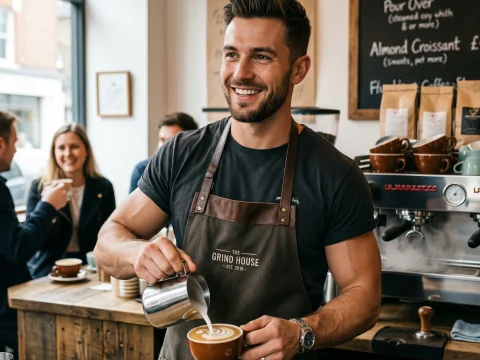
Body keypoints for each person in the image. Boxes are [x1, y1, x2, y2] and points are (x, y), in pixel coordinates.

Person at [94, 0, 382, 359]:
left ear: (298, 69)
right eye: (232, 54)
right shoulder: (182, 153)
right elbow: (108, 240)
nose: (240, 73)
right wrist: (138, 252)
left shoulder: (334, 175)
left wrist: (302, 332)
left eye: (261, 57)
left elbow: (364, 295)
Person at [0, 111, 68, 355]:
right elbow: (18, 248)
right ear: (1, 143)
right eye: (15, 143)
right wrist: (48, 205)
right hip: (6, 309)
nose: (16, 151)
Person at [26, 123, 116, 278]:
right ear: (54, 153)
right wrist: (47, 205)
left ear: (86, 150)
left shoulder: (103, 187)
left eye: (74, 146)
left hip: (91, 269)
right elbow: (33, 241)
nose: (68, 153)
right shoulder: (39, 187)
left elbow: (111, 234)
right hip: (49, 270)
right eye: (61, 148)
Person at [129, 112, 198, 193]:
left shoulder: (201, 171)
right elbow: (134, 205)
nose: (164, 146)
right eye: (162, 139)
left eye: (171, 141)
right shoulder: (143, 169)